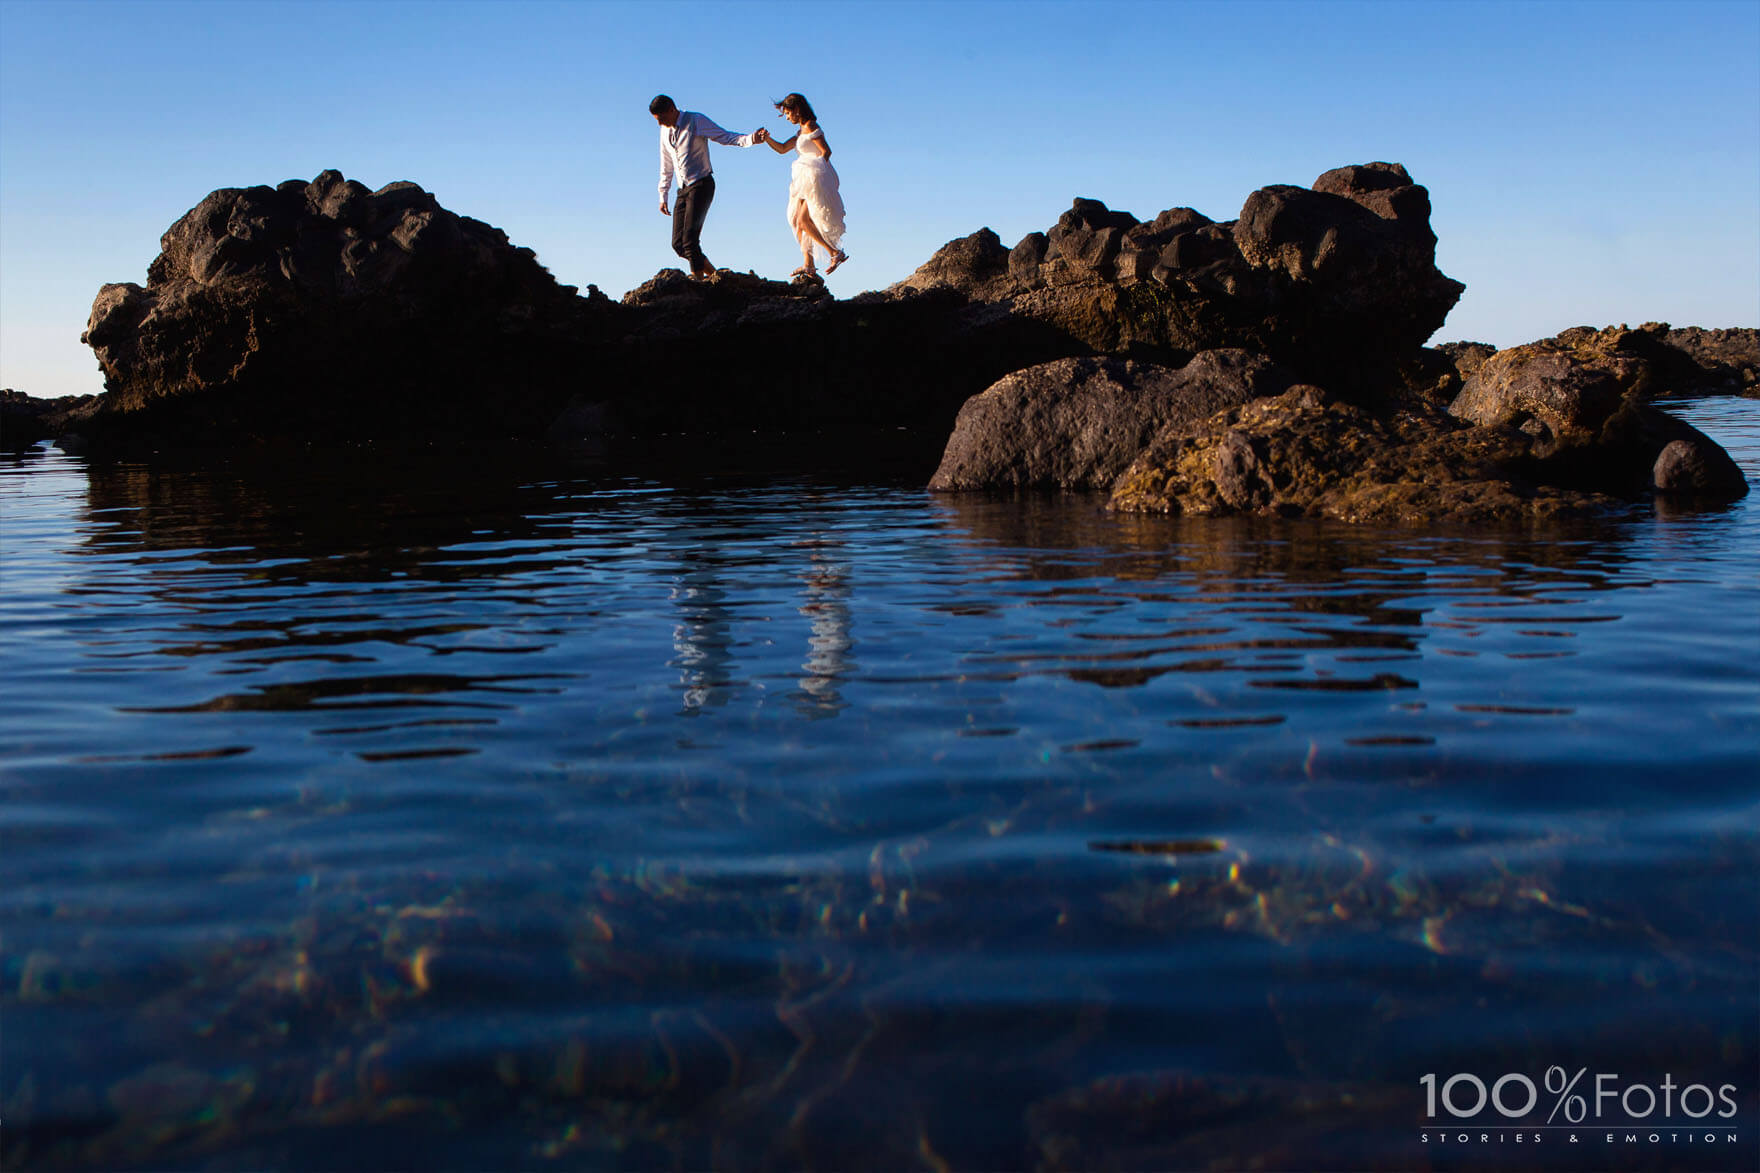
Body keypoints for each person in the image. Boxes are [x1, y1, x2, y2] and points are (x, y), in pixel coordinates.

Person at [650, 94, 767, 279]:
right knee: (678, 244)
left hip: (701, 184)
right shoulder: (664, 132)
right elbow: (666, 164)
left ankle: (698, 281)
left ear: (672, 110)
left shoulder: (695, 120)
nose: (660, 124)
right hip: (683, 189)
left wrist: (752, 139)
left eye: (662, 119)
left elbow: (725, 136)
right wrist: (662, 194)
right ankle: (715, 277)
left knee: (690, 240)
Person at [759, 93, 847, 278]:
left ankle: (834, 253)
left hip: (814, 180)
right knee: (795, 221)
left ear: (797, 110)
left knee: (803, 220)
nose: (787, 117)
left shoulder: (811, 126)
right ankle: (808, 264)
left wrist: (815, 175)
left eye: (788, 113)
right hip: (801, 182)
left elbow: (826, 152)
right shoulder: (800, 132)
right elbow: (783, 149)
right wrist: (767, 139)